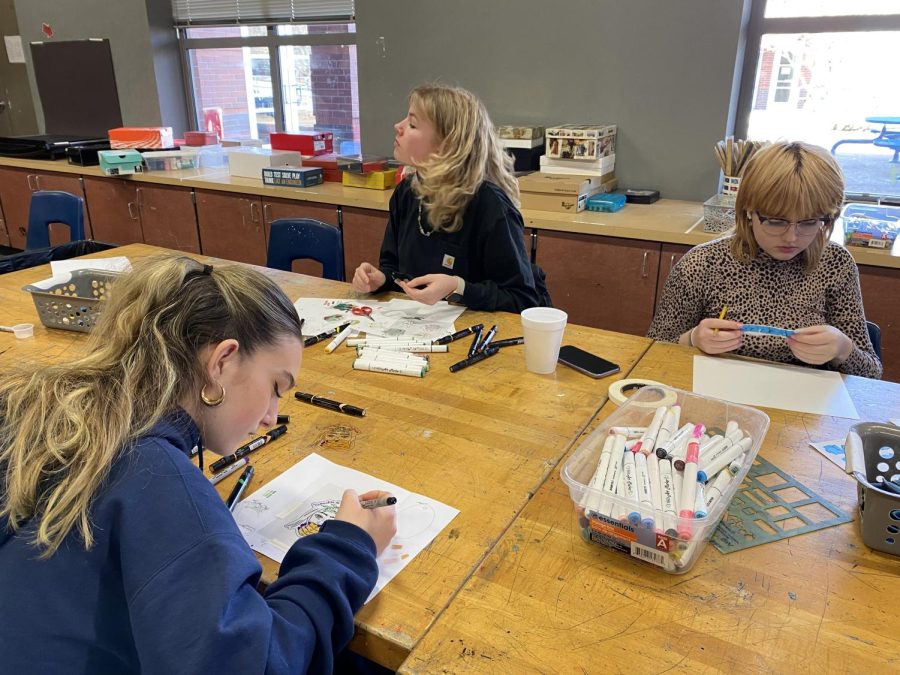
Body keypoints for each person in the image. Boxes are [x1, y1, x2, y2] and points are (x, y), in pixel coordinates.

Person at [0, 256, 397, 674]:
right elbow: (259, 665)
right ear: (221, 362)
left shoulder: (53, 416)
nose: (270, 416)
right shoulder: (152, 477)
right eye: (276, 387)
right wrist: (349, 548)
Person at [648, 141, 882, 379]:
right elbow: (652, 351)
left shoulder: (835, 264)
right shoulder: (702, 264)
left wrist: (843, 349)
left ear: (829, 218)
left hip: (803, 407)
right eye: (775, 221)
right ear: (749, 210)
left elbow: (872, 375)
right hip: (718, 397)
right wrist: (691, 339)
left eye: (809, 222)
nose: (791, 237)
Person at [351, 84, 551, 313]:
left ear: (446, 146)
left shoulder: (489, 204)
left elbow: (522, 299)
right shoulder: (406, 192)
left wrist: (458, 287)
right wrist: (380, 280)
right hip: (423, 329)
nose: (398, 126)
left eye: (413, 124)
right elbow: (392, 267)